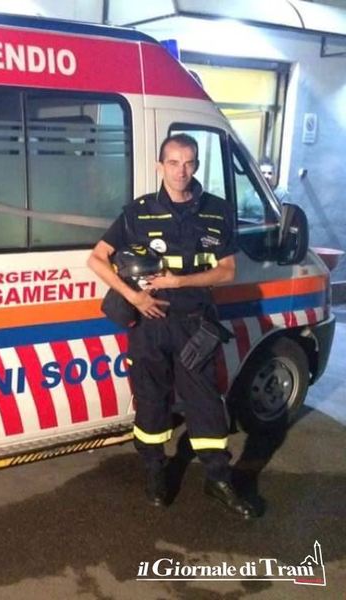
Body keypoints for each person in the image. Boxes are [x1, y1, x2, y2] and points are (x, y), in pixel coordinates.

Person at [88, 133, 257, 519]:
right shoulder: (138, 212)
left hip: (195, 325)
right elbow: (97, 259)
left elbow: (227, 271)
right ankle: (155, 472)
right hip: (149, 325)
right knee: (151, 401)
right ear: (160, 166)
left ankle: (218, 479)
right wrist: (134, 298)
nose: (181, 171)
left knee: (206, 403)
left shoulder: (217, 211)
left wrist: (180, 282)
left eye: (189, 163)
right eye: (174, 162)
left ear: (196, 165)